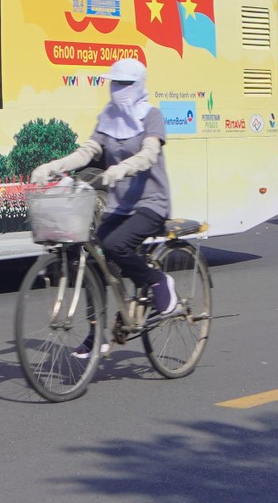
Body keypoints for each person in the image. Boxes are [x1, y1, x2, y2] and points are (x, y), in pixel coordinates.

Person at [31, 58, 178, 354]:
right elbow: (89, 151)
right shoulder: (107, 117)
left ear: (138, 86)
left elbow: (150, 153)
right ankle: (98, 334)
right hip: (118, 204)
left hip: (151, 203)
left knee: (115, 246)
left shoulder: (151, 116)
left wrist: (121, 169)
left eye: (124, 83)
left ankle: (159, 281)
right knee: (93, 261)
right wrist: (55, 165)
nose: (117, 89)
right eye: (114, 82)